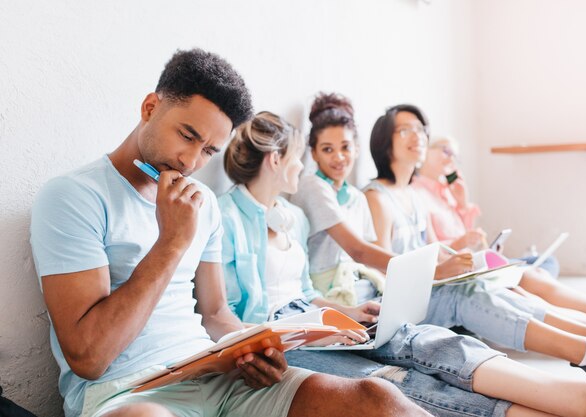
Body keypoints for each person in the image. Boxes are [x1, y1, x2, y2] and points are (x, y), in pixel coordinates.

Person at [28, 50, 427, 417]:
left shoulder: (201, 201)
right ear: (150, 108)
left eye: (208, 151)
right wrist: (172, 242)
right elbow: (89, 357)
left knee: (379, 399)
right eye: (187, 135)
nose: (190, 161)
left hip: (214, 375)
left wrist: (258, 350)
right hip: (128, 394)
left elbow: (217, 315)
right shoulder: (74, 197)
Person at [218, 108, 586, 417]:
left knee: (426, 340)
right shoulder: (228, 217)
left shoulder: (294, 217)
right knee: (402, 379)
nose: (305, 166)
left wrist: (345, 313)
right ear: (275, 161)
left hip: (318, 317)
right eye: (303, 156)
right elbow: (227, 317)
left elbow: (306, 293)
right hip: (281, 338)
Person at [415, 135, 586, 329]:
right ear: (426, 151)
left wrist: (462, 203)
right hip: (458, 269)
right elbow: (437, 254)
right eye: (446, 151)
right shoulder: (417, 194)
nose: (451, 159)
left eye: (455, 156)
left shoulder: (447, 193)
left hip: (473, 262)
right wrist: (462, 243)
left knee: (545, 264)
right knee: (532, 278)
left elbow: (471, 240)